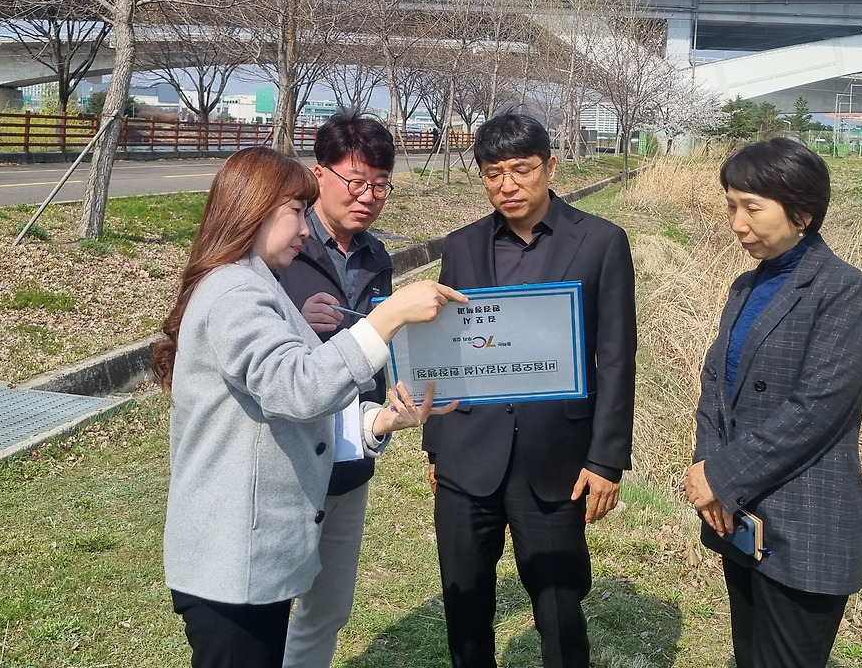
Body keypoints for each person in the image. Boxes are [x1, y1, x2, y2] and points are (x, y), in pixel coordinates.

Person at [152, 146, 465, 668]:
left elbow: (280, 409)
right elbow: (297, 387)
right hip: (233, 562)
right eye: (296, 211)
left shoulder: (253, 282)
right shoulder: (236, 292)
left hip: (247, 559)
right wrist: (386, 319)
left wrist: (378, 421)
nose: (304, 228)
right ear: (253, 210)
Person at [422, 113, 638, 668]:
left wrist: (606, 459)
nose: (508, 185)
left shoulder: (600, 242)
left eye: (522, 169)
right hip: (468, 453)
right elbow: (448, 348)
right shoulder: (463, 245)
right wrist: (436, 447)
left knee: (559, 607)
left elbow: (616, 358)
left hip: (555, 459)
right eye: (493, 173)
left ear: (551, 167)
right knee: (465, 604)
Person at [683, 138, 862, 668]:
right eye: (731, 206)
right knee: (749, 654)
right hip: (740, 515)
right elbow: (715, 385)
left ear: (801, 212)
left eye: (752, 208)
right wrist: (708, 469)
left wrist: (720, 475)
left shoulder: (845, 292)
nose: (737, 224)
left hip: (806, 519)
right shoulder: (745, 287)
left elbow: (816, 410)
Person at [274, 112, 397, 668]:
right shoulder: (279, 247)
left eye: (380, 185)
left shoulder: (376, 257)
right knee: (267, 607)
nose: (368, 197)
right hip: (287, 457)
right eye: (356, 181)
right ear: (319, 174)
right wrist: (296, 321)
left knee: (329, 607)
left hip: (351, 456)